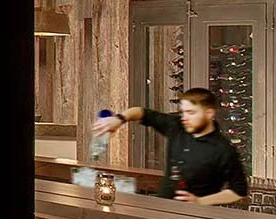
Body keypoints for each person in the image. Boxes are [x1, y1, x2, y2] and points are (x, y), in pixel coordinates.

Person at [91, 87, 248, 203]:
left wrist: (201, 201)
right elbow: (142, 112)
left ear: (209, 113)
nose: (185, 117)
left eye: (191, 112)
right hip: (163, 209)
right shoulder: (177, 126)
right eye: (183, 112)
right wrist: (119, 119)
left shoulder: (223, 149)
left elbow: (238, 191)